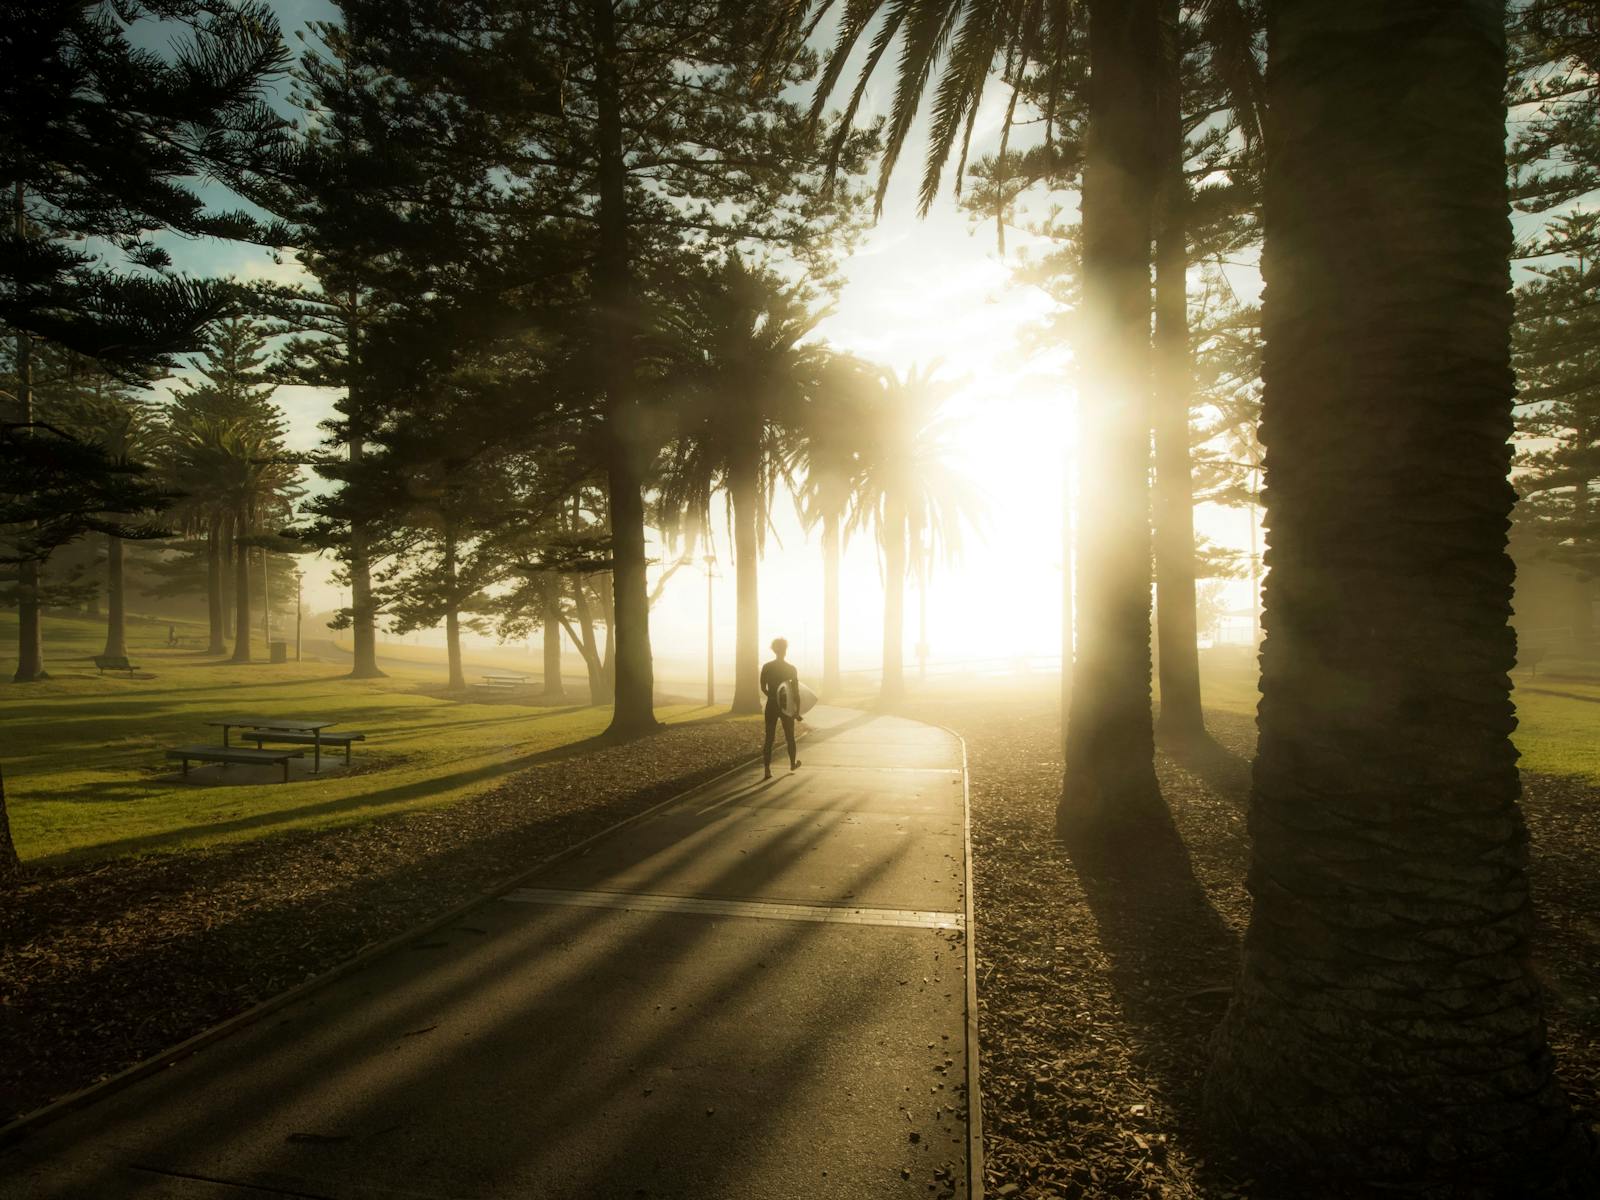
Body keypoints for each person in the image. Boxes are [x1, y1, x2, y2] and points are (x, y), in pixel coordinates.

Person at [759, 636, 803, 780]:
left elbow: (762, 687)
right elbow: (796, 692)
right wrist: (797, 711)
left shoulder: (767, 667)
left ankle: (767, 770)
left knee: (769, 737)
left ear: (774, 650)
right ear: (785, 651)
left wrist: (772, 696)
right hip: (786, 705)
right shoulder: (791, 669)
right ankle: (792, 763)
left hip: (771, 704)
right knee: (790, 736)